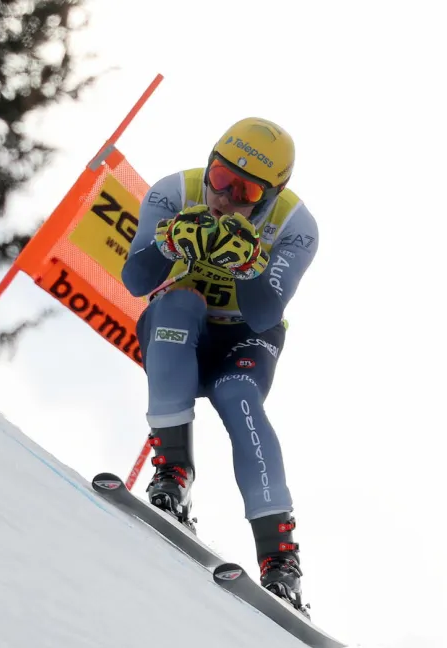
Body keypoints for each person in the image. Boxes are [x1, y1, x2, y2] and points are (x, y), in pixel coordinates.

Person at [120, 117, 319, 614]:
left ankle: (281, 562)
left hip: (246, 337)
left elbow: (265, 312)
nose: (225, 196)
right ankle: (173, 474)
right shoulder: (176, 192)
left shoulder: (296, 227)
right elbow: (135, 280)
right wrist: (168, 241)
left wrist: (251, 263)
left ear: (271, 195)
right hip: (182, 326)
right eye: (219, 176)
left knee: (238, 395)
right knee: (178, 305)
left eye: (245, 188)